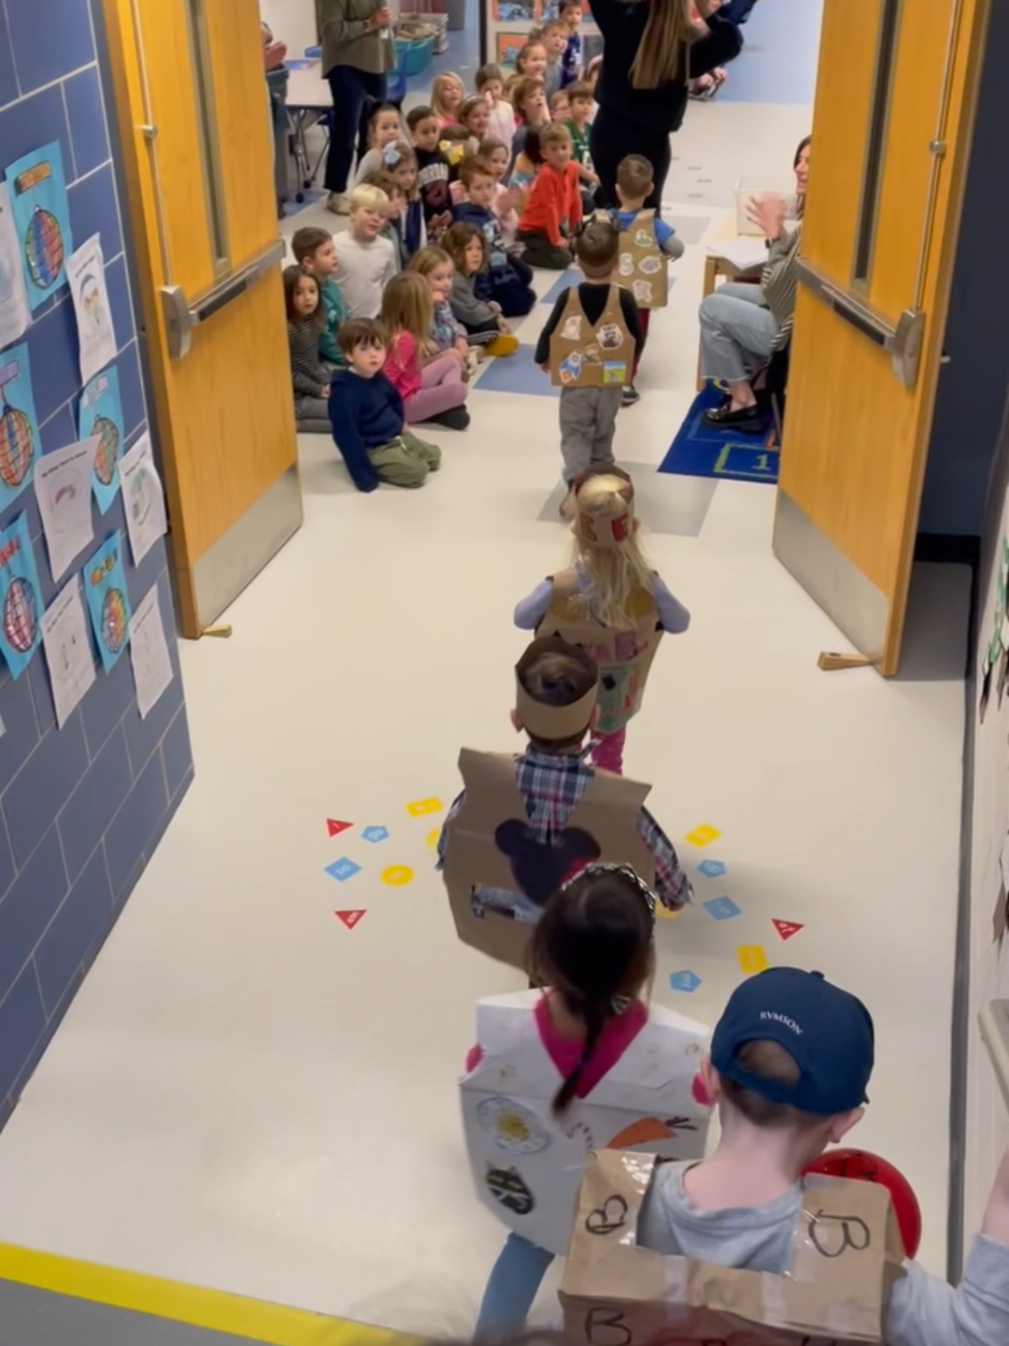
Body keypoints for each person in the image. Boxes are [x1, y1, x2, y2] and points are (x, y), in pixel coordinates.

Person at [637, 965, 1009, 1345]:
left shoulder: (620, 1208)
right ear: (844, 1122)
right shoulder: (856, 1258)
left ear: (708, 1077)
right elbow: (976, 1338)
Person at [466, 864, 707, 1337]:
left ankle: (488, 1338)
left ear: (545, 949)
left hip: (536, 1198)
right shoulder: (680, 1055)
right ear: (643, 965)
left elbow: (478, 1075)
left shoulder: (500, 1033)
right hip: (621, 1213)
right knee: (604, 1280)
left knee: (526, 1246)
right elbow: (694, 1109)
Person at [437, 635, 693, 923]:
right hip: (580, 932)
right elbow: (659, 858)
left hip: (511, 922)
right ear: (594, 717)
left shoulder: (484, 786)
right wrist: (675, 895)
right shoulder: (615, 801)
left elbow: (449, 848)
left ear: (516, 718)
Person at [515, 467, 689, 775]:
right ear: (633, 527)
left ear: (575, 529)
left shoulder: (560, 586)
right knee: (610, 759)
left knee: (555, 750)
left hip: (563, 694)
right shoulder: (648, 585)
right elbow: (679, 622)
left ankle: (554, 791)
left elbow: (522, 617)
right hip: (615, 698)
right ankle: (604, 806)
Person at [699, 135, 809, 432]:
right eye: (799, 160)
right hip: (796, 311)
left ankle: (743, 402)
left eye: (809, 162)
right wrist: (781, 235)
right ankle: (757, 379)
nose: (799, 168)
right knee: (725, 291)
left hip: (795, 327)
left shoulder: (819, 221)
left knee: (711, 308)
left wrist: (774, 234)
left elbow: (776, 288)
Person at [587, 0, 741, 211]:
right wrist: (706, 10)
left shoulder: (621, 21)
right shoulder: (687, 45)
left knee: (615, 210)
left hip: (608, 135)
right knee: (647, 218)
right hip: (652, 144)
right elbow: (731, 40)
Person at [534, 220, 642, 492]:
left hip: (577, 383)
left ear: (578, 261)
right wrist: (628, 365)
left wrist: (542, 356)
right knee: (604, 431)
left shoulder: (567, 296)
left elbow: (550, 331)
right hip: (611, 383)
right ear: (617, 262)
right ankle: (603, 478)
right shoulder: (625, 299)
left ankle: (577, 485)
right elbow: (636, 338)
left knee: (575, 433)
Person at [328, 319, 442, 490]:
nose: (373, 354)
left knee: (435, 457)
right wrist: (364, 476)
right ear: (349, 355)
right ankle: (383, 462)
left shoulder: (377, 376)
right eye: (364, 349)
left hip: (393, 434)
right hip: (373, 447)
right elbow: (346, 436)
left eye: (378, 348)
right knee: (418, 472)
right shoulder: (345, 391)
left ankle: (402, 452)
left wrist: (400, 424)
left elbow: (394, 400)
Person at [612, 152, 684, 407]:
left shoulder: (607, 220)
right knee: (635, 334)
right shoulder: (653, 224)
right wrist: (661, 250)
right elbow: (677, 247)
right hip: (639, 298)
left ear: (617, 189)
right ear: (650, 188)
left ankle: (606, 377)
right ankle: (625, 383)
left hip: (609, 292)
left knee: (609, 332)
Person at [317, 0, 394, 216]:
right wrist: (369, 23)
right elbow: (331, 30)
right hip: (346, 65)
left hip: (376, 64)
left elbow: (384, 22)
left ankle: (369, 186)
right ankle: (336, 190)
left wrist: (388, 55)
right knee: (347, 129)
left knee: (375, 130)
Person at [380, 272, 471, 429]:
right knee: (460, 390)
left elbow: (410, 370)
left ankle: (444, 405)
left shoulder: (404, 331)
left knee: (451, 361)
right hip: (406, 404)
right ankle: (445, 406)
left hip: (412, 385)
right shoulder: (404, 339)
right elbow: (387, 380)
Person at [452, 158, 536, 317]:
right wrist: (484, 293)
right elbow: (475, 263)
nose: (485, 192)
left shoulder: (487, 209)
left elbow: (503, 235)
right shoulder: (468, 219)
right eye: (478, 188)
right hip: (487, 274)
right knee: (526, 300)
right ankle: (490, 305)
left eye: (489, 186)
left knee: (526, 274)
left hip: (498, 259)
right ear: (467, 191)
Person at [442, 223, 519, 355]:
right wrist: (495, 316)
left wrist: (494, 313)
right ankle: (475, 342)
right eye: (469, 249)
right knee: (489, 325)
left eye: (479, 249)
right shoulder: (455, 278)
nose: (476, 254)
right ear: (455, 252)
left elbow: (472, 301)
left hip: (455, 318)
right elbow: (472, 311)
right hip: (443, 326)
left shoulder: (468, 273)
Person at [517, 123, 582, 269]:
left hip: (553, 224)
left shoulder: (572, 168)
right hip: (533, 229)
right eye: (554, 149)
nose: (560, 153)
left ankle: (551, 245)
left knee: (577, 249)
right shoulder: (546, 175)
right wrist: (556, 239)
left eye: (564, 147)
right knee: (563, 260)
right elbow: (550, 208)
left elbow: (575, 198)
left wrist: (574, 229)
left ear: (570, 148)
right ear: (544, 153)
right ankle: (525, 254)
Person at [333, 184, 398, 320]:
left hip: (373, 320)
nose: (376, 219)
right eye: (369, 212)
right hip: (341, 321)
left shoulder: (386, 247)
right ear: (352, 212)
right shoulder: (335, 244)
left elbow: (388, 281)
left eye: (382, 216)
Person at [284, 266, 332, 433]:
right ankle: (298, 424)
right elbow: (289, 373)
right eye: (299, 293)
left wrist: (325, 382)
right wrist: (317, 390)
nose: (308, 298)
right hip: (297, 397)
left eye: (312, 291)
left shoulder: (311, 320)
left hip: (313, 385)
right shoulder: (289, 329)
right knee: (343, 417)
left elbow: (311, 363)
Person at [407, 105, 453, 233]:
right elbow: (410, 195)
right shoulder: (411, 160)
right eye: (425, 132)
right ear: (413, 135)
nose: (432, 136)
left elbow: (452, 186)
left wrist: (450, 210)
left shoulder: (446, 154)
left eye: (434, 130)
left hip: (444, 219)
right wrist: (426, 217)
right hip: (422, 222)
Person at [380, 141, 427, 261]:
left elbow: (421, 232)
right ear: (389, 173)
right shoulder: (384, 200)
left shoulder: (415, 198)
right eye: (402, 173)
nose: (409, 178)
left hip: (412, 255)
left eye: (412, 171)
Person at [351, 102, 403, 186]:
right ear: (373, 131)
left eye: (395, 126)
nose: (392, 132)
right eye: (385, 128)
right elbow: (357, 188)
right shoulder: (371, 158)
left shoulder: (402, 154)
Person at [565, 80, 598, 212]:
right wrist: (594, 178)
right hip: (573, 182)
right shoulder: (566, 129)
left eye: (589, 103)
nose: (585, 107)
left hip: (590, 180)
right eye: (580, 102)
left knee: (611, 196)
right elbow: (573, 163)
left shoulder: (592, 129)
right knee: (587, 203)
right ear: (570, 104)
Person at [476, 63, 516, 144]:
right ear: (479, 90)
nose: (493, 93)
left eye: (496, 87)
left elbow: (512, 131)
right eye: (488, 89)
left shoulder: (507, 107)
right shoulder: (480, 112)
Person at [558, 0, 584, 87]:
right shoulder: (559, 38)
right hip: (560, 83)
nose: (574, 17)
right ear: (561, 15)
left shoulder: (578, 37)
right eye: (569, 13)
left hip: (573, 81)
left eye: (578, 14)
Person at [540, 21, 568, 99]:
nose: (558, 39)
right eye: (554, 35)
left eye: (562, 37)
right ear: (543, 38)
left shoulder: (560, 64)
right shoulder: (539, 63)